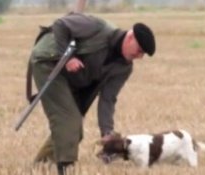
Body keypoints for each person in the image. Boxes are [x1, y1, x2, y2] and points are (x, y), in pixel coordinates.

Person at [27, 12, 156, 175]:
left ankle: (39, 167)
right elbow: (60, 25)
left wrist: (107, 132)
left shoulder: (124, 68)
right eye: (139, 50)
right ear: (130, 37)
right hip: (50, 63)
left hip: (72, 78)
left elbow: (107, 99)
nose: (139, 56)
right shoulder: (97, 27)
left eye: (143, 54)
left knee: (74, 130)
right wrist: (68, 58)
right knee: (69, 121)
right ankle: (65, 168)